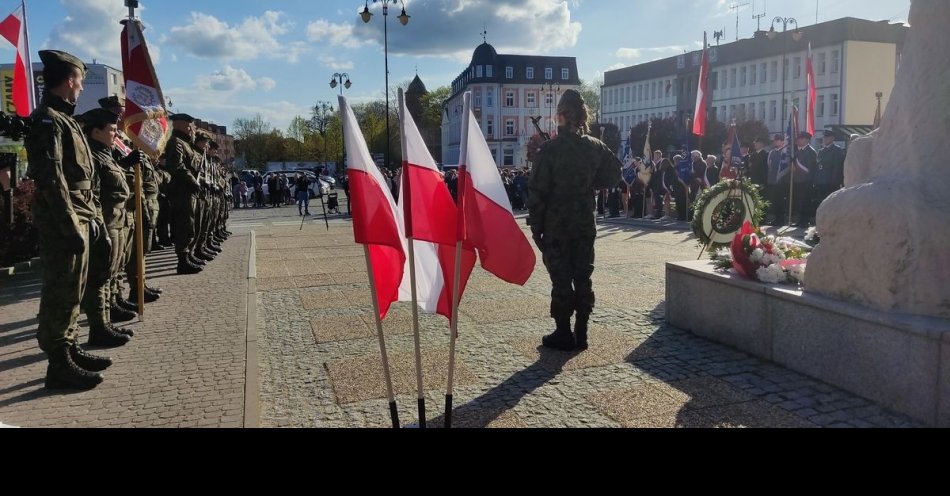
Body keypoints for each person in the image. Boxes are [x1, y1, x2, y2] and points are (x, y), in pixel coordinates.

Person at [24, 50, 109, 389]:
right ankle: (57, 363)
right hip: (65, 219)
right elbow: (51, 177)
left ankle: (70, 348)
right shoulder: (46, 119)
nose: (81, 89)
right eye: (80, 82)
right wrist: (69, 223)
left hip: (82, 213)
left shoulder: (66, 119)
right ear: (70, 81)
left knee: (75, 288)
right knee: (61, 289)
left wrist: (93, 217)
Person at [528, 89, 621, 352]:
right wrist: (589, 183)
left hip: (557, 224)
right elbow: (614, 176)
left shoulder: (550, 149)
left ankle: (563, 331)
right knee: (583, 274)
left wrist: (536, 228)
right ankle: (582, 330)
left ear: (560, 116)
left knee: (560, 277)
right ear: (582, 116)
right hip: (584, 220)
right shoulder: (595, 147)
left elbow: (537, 192)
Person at [812, 129, 845, 216]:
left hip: (831, 182)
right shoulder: (821, 151)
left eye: (827, 137)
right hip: (821, 181)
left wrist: (834, 182)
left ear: (832, 138)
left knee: (831, 204)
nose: (824, 139)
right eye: (824, 137)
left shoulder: (837, 150)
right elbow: (818, 167)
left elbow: (837, 167)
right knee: (821, 202)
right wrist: (816, 180)